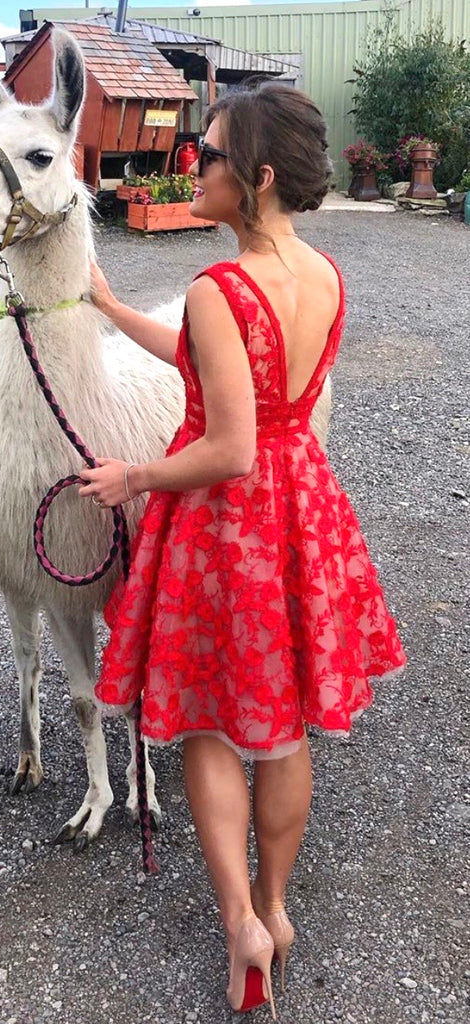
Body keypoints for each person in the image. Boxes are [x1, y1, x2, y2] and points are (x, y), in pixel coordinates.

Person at [79, 83, 406, 1017]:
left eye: (208, 155)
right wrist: (106, 304)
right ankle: (277, 907)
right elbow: (211, 363)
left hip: (229, 529)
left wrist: (134, 477)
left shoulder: (218, 288)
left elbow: (225, 444)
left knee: (217, 722)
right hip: (304, 507)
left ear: (255, 180)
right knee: (287, 722)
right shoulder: (325, 276)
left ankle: (239, 928)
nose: (195, 167)